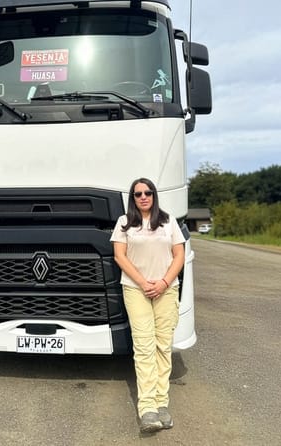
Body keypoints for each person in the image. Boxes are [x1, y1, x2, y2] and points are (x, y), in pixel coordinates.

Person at [111, 177, 185, 433]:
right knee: (143, 347)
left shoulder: (168, 221)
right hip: (136, 290)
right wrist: (144, 283)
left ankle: (162, 403)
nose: (143, 197)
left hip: (166, 290)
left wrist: (164, 282)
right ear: (132, 198)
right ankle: (148, 410)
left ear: (154, 195)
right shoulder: (124, 223)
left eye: (148, 192)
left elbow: (179, 255)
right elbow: (119, 256)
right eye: (138, 193)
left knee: (162, 346)